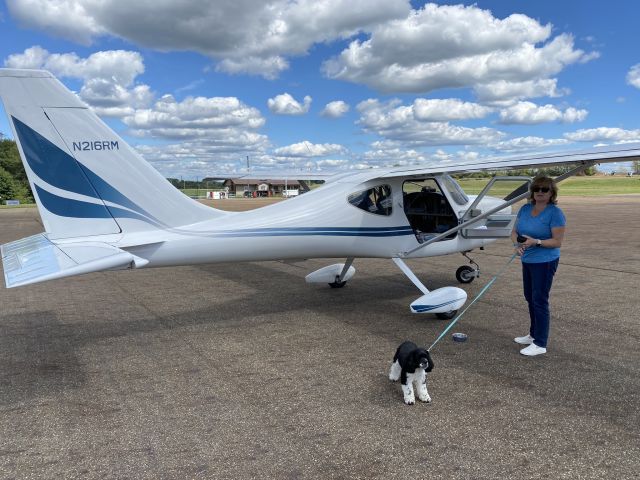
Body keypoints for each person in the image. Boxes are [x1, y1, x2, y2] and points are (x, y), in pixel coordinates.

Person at [511, 176, 566, 357]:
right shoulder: (525, 209)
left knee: (539, 300)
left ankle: (541, 343)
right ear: (532, 192)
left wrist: (537, 242)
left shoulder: (555, 213)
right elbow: (514, 232)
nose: (540, 193)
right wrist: (517, 245)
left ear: (551, 193)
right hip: (528, 260)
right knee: (529, 297)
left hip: (545, 261)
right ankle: (533, 334)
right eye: (537, 189)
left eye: (545, 190)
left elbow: (557, 242)